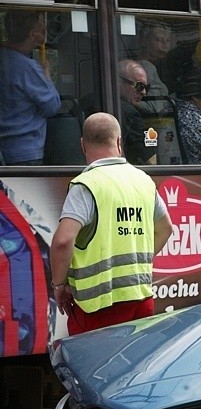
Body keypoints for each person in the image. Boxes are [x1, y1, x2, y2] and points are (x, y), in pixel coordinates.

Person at [50, 112, 172, 335]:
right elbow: (166, 229)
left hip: (98, 305)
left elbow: (62, 241)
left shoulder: (86, 185)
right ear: (118, 142)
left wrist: (59, 286)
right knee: (135, 364)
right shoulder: (143, 181)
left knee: (94, 367)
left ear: (82, 145)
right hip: (141, 297)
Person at [0, 9, 61, 165]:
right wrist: (46, 75)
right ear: (34, 35)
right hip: (25, 150)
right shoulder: (27, 68)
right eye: (43, 31)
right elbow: (52, 106)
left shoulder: (5, 59)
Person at [118, 58, 157, 164]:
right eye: (139, 86)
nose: (144, 92)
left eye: (146, 87)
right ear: (120, 82)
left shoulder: (85, 102)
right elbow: (150, 162)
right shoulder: (130, 113)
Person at [136, 21, 172, 115]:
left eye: (168, 40)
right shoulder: (145, 67)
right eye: (158, 40)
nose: (164, 45)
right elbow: (156, 107)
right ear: (143, 41)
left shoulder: (164, 66)